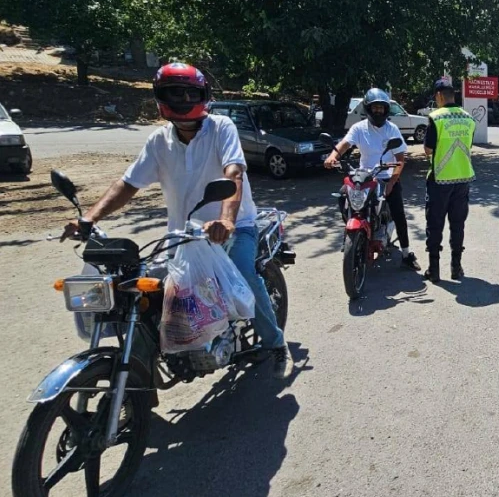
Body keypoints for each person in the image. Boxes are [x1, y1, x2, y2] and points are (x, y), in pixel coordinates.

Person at [62, 62, 289, 376]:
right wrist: (88, 218)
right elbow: (128, 184)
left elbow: (233, 174)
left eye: (188, 92)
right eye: (173, 92)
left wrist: (226, 220)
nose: (182, 98)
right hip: (184, 238)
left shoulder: (221, 127)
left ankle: (275, 343)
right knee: (149, 295)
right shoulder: (159, 141)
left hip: (235, 227)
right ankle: (139, 380)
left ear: (202, 95)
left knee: (244, 276)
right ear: (160, 96)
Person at [324, 87, 421, 271]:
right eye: (375, 108)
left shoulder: (391, 129)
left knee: (399, 212)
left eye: (381, 108)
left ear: (386, 110)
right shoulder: (359, 128)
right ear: (368, 109)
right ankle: (352, 236)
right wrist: (333, 156)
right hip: (364, 175)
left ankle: (407, 253)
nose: (378, 111)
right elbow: (344, 144)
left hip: (385, 175)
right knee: (344, 196)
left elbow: (400, 160)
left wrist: (392, 183)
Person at [422, 77, 475, 283]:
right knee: (458, 224)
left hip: (440, 179)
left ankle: (434, 270)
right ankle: (456, 267)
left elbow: (428, 149)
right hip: (462, 179)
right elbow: (468, 146)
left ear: (439, 96)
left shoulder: (436, 118)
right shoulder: (468, 118)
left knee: (435, 224)